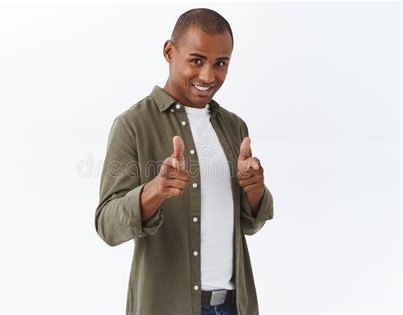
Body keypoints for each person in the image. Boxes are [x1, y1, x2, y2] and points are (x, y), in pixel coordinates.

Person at [95, 8, 274, 315]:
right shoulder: (133, 125)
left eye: (221, 63)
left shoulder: (233, 127)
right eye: (196, 60)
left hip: (234, 305)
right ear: (169, 51)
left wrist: (254, 190)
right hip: (167, 306)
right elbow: (107, 226)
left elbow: (249, 224)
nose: (208, 75)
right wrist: (156, 190)